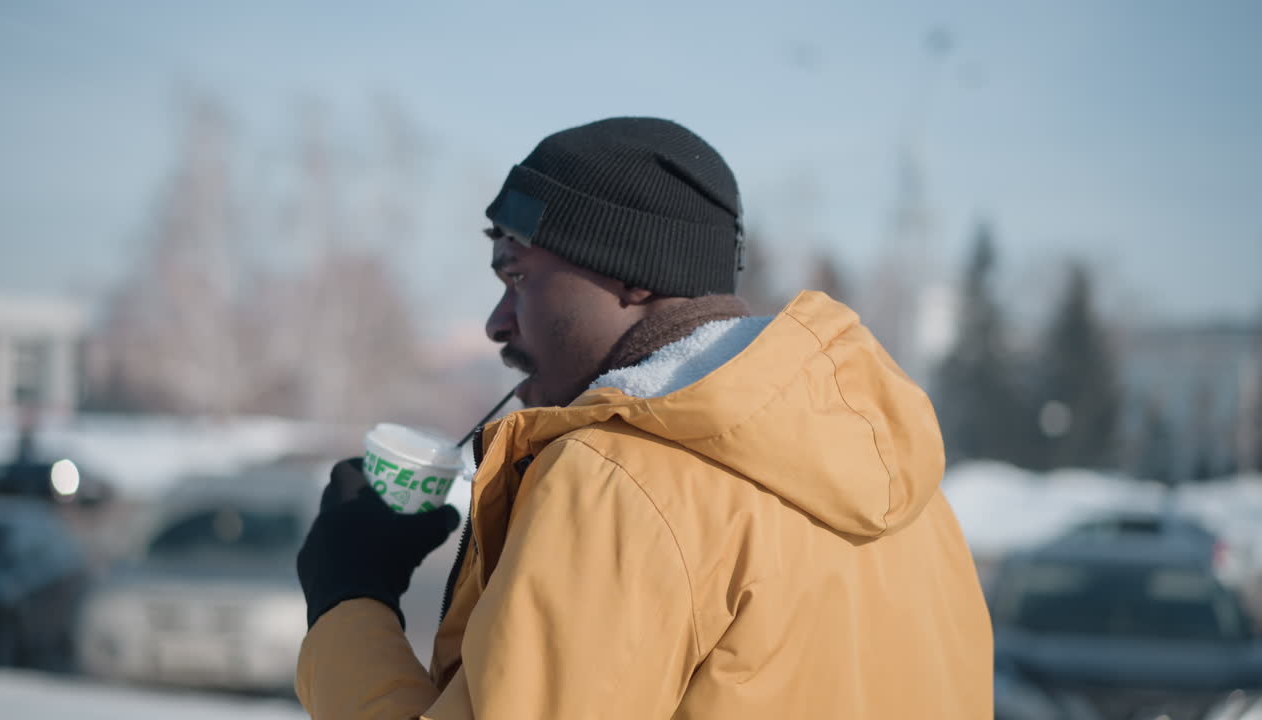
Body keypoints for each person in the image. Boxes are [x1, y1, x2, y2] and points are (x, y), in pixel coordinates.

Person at [295, 117, 992, 719]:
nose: (497, 322)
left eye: (518, 276)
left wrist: (348, 597)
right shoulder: (911, 496)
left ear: (632, 270)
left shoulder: (615, 483)